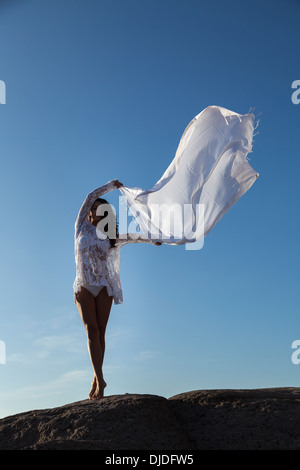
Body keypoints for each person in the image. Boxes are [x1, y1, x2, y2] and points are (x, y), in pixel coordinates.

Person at [73, 179, 161, 400]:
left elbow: (133, 237)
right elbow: (88, 196)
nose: (93, 211)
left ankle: (96, 377)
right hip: (83, 285)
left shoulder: (111, 237)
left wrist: (154, 240)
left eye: (98, 209)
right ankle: (100, 380)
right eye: (92, 209)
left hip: (103, 286)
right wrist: (111, 186)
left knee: (100, 332)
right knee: (91, 331)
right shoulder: (80, 227)